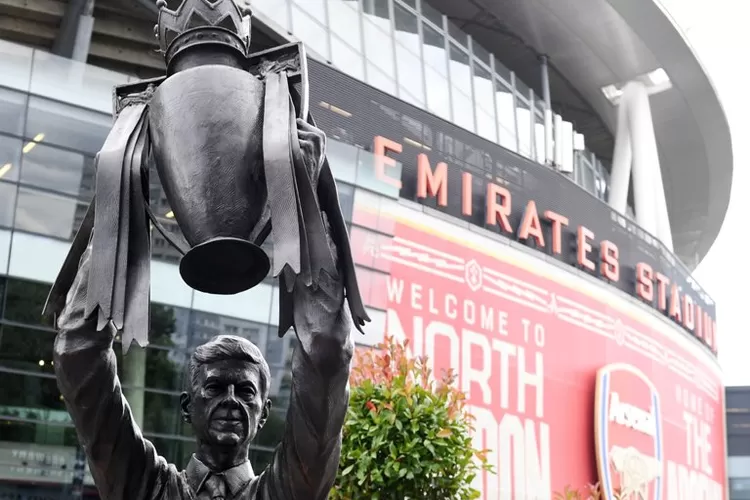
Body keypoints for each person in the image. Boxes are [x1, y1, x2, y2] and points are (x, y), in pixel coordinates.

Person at [53, 224, 354, 500]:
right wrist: (117, 210)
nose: (231, 401)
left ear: (263, 414)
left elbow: (326, 348)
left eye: (246, 391)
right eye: (215, 388)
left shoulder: (284, 493)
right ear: (187, 407)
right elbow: (77, 352)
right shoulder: (145, 487)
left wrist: (303, 204)